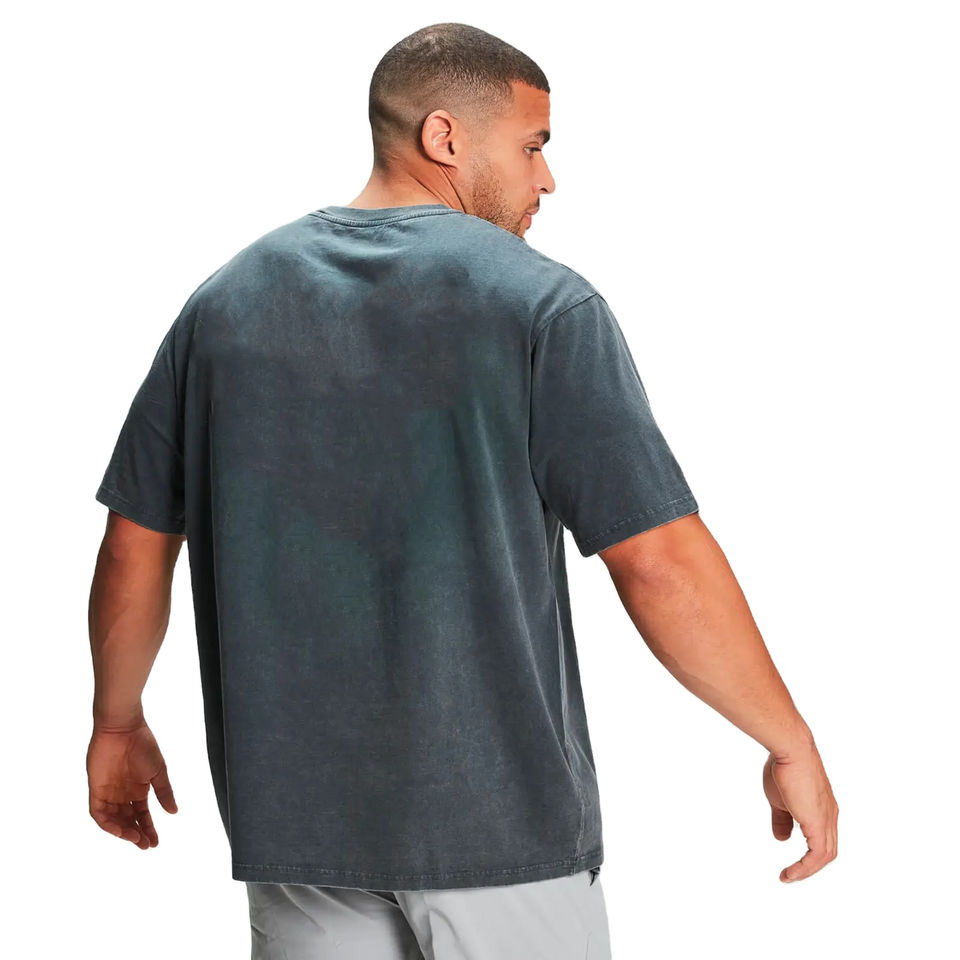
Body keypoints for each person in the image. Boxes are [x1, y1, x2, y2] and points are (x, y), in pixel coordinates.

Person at [86, 21, 838, 960]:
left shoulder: (224, 305)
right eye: (532, 146)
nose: (547, 179)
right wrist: (787, 740)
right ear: (444, 137)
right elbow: (658, 560)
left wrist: (115, 721)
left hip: (299, 832)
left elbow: (134, 544)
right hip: (499, 831)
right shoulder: (542, 305)